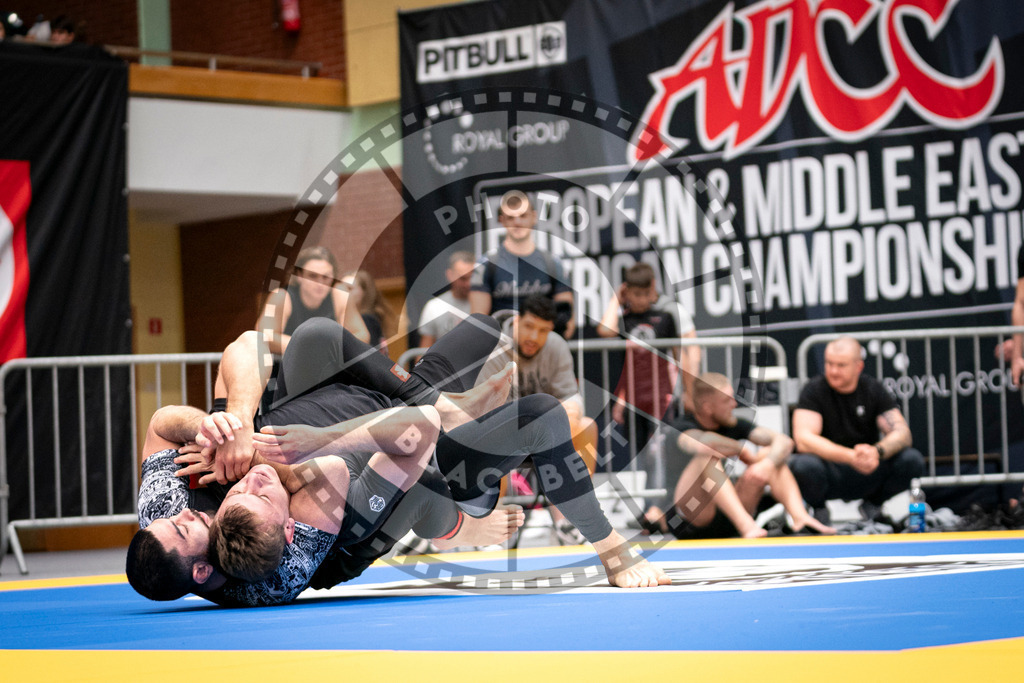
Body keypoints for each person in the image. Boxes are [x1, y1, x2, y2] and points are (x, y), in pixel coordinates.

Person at [644, 372, 835, 539]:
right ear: (707, 407)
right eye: (726, 400)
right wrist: (740, 448)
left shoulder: (734, 424)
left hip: (727, 519)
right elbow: (704, 444)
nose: (734, 404)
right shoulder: (681, 427)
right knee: (706, 459)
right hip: (690, 517)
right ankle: (746, 526)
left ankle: (800, 518)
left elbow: (784, 441)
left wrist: (767, 463)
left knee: (771, 456)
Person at [476, 294, 599, 545]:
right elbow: (483, 409)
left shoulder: (556, 346)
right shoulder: (495, 346)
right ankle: (486, 525)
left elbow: (572, 400)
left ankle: (569, 518)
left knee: (586, 426)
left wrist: (565, 418)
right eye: (529, 326)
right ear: (518, 320)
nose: (534, 337)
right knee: (487, 438)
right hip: (500, 430)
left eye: (543, 330)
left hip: (544, 433)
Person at [789, 337, 925, 524]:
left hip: (868, 466)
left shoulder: (872, 389)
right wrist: (850, 456)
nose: (833, 370)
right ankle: (818, 510)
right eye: (829, 363)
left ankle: (873, 505)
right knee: (803, 465)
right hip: (831, 468)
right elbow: (803, 439)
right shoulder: (813, 390)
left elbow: (902, 433)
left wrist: (877, 451)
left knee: (912, 460)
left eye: (841, 365)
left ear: (858, 366)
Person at [470, 190, 575, 338]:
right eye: (511, 218)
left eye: (523, 216)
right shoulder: (486, 265)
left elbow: (567, 324)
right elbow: (477, 324)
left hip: (543, 348)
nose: (517, 222)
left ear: (534, 217)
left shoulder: (553, 264)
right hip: (502, 349)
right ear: (502, 220)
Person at [259, 246, 370, 354]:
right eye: (312, 276)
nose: (319, 283)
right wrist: (311, 348)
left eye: (325, 277)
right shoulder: (281, 296)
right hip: (287, 364)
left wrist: (332, 347)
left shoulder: (339, 294)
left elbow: (362, 335)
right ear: (299, 275)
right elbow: (264, 335)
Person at [418, 251, 474, 348]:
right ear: (450, 275)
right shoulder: (434, 307)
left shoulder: (488, 304)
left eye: (472, 278)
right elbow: (423, 352)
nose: (467, 284)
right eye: (462, 279)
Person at [343, 269, 396, 354]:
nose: (343, 293)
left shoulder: (367, 320)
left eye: (349, 289)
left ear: (364, 292)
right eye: (342, 289)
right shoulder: (371, 317)